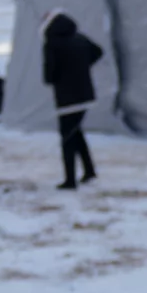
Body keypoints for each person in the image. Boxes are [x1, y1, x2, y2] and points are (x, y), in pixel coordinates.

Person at [41, 11, 104, 189]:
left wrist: (59, 76)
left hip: (66, 99)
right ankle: (89, 170)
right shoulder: (79, 38)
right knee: (75, 133)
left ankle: (70, 179)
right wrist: (82, 67)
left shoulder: (52, 44)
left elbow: (49, 76)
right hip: (85, 94)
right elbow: (98, 52)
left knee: (67, 137)